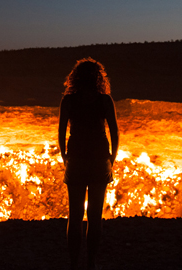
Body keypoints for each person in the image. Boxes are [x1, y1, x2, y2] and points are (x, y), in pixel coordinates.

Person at [58, 58, 119, 270]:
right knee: (95, 216)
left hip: (75, 159)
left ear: (75, 78)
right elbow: (114, 131)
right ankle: (91, 263)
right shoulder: (105, 100)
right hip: (99, 160)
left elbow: (61, 132)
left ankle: (74, 264)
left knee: (74, 216)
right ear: (98, 78)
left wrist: (65, 156)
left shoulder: (68, 101)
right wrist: (111, 158)